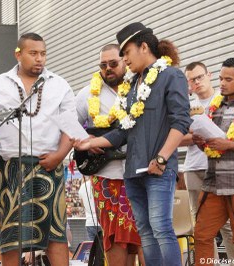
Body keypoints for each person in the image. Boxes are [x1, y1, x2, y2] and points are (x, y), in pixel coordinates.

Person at [73, 22, 192, 266]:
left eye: (126, 53)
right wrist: (89, 143)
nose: (124, 59)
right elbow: (123, 132)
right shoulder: (133, 85)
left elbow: (181, 122)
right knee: (146, 233)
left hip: (158, 168)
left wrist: (161, 158)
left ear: (144, 47)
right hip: (132, 172)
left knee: (161, 228)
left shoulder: (171, 75)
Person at [0, 32, 76, 265]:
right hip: (10, 168)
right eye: (33, 53)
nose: (40, 58)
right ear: (18, 54)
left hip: (49, 165)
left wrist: (60, 156)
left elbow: (70, 128)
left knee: (56, 233)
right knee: (11, 234)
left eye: (43, 53)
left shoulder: (60, 85)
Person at [75, 43, 142, 265]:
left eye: (113, 63)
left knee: (144, 236)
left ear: (125, 61)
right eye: (103, 65)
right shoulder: (87, 93)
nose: (108, 69)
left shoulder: (141, 87)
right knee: (113, 237)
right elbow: (68, 125)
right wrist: (83, 142)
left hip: (139, 173)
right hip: (106, 175)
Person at [192, 57, 234, 266]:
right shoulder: (214, 106)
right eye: (220, 78)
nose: (222, 83)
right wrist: (201, 142)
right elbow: (212, 144)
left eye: (228, 79)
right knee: (202, 235)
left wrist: (229, 145)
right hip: (213, 183)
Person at [181, 62, 234, 263]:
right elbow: (176, 138)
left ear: (209, 75)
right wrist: (193, 137)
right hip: (194, 167)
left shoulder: (226, 101)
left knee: (228, 223)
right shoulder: (185, 107)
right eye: (191, 80)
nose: (197, 82)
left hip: (221, 167)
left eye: (199, 77)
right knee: (201, 225)